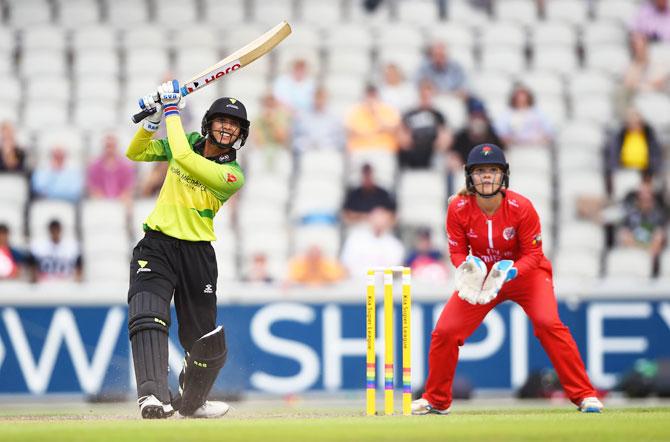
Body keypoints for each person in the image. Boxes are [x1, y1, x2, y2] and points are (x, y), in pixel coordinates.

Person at [411, 144, 604, 415]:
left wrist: (510, 272)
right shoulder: (458, 207)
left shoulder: (521, 207)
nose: (487, 176)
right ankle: (437, 400)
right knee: (445, 331)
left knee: (548, 324)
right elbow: (456, 250)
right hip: (482, 277)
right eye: (480, 171)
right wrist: (466, 268)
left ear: (504, 176)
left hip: (525, 275)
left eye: (493, 170)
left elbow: (534, 254)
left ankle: (585, 395)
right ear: (469, 176)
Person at [126, 81, 247, 419]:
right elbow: (135, 153)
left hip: (198, 254)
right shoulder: (189, 140)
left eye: (234, 125)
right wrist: (152, 121)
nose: (227, 128)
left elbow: (180, 156)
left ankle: (192, 402)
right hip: (158, 245)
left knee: (203, 340)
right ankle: (152, 396)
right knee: (147, 313)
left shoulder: (232, 174)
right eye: (222, 121)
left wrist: (170, 109)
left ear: (241, 134)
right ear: (209, 124)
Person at [396, 79, 450, 169]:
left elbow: (444, 135)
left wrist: (439, 144)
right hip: (412, 150)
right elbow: (402, 135)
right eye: (423, 95)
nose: (426, 98)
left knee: (441, 158)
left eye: (428, 96)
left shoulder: (437, 114)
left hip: (432, 151)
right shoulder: (410, 114)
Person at [617, 177, 667, 274]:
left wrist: (646, 247)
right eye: (642, 193)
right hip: (634, 251)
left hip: (652, 254)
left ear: (652, 194)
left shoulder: (659, 214)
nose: (645, 196)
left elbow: (658, 241)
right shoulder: (630, 213)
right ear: (638, 194)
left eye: (648, 192)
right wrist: (643, 247)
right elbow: (625, 238)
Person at [605, 107, 663, 181]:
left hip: (645, 172)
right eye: (631, 122)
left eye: (637, 122)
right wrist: (616, 170)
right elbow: (613, 155)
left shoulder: (649, 135)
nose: (634, 125)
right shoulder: (620, 135)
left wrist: (652, 170)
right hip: (625, 171)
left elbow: (656, 154)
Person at [345, 84, 400, 152]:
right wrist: (371, 133)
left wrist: (376, 114)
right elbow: (350, 132)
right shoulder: (355, 111)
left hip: (384, 149)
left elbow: (394, 130)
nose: (371, 99)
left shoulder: (388, 109)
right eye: (369, 96)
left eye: (373, 96)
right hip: (360, 149)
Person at [292, 86, 344, 153]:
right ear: (312, 98)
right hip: (306, 152)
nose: (319, 101)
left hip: (328, 153)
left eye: (322, 98)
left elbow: (340, 141)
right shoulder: (302, 117)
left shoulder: (335, 118)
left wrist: (327, 146)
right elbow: (296, 139)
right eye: (317, 97)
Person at [86, 133, 135, 201]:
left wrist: (121, 198)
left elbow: (128, 188)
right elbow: (92, 188)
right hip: (100, 204)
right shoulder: (94, 166)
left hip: (120, 204)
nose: (109, 148)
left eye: (111, 145)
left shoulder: (126, 166)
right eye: (107, 145)